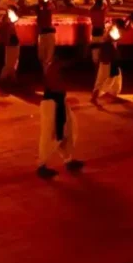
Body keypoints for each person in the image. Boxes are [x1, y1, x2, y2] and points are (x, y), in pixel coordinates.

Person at [37, 49, 84, 178]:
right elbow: (55, 86)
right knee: (50, 135)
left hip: (59, 102)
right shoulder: (55, 67)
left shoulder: (56, 66)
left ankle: (68, 160)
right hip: (52, 104)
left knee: (69, 130)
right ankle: (41, 165)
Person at [91, 24, 123, 104]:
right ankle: (95, 97)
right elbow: (106, 55)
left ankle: (112, 94)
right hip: (107, 64)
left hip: (110, 63)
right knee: (103, 80)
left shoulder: (110, 41)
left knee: (115, 80)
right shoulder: (107, 43)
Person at [36, 0, 56, 66]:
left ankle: (45, 68)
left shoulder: (41, 11)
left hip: (44, 33)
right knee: (46, 56)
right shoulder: (46, 11)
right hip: (46, 33)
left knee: (45, 56)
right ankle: (46, 67)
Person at [89, 0, 107, 64]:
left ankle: (95, 63)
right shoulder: (102, 12)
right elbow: (106, 5)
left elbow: (91, 8)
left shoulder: (92, 11)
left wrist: (95, 3)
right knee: (101, 47)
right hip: (101, 30)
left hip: (95, 30)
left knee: (95, 49)